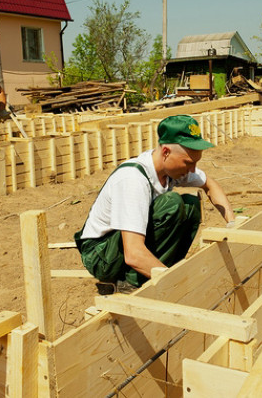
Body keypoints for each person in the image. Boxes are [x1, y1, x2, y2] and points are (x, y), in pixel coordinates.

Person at [74, 115, 235, 293]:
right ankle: (131, 285)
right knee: (172, 204)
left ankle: (157, 272)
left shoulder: (174, 170)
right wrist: (176, 284)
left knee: (190, 205)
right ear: (166, 152)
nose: (192, 170)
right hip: (101, 254)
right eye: (189, 163)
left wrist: (232, 222)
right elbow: (133, 253)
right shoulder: (133, 180)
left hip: (122, 246)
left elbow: (210, 184)